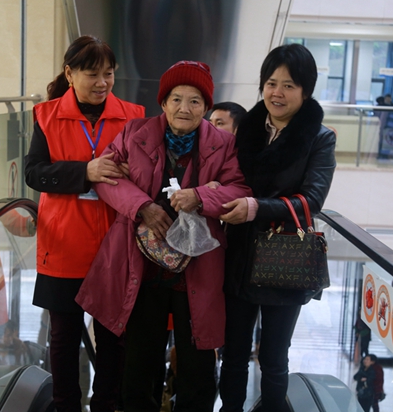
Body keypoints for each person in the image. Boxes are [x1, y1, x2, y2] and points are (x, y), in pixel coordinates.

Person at [76, 60, 252, 412]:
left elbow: (240, 189)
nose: (184, 108)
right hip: (142, 267)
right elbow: (106, 177)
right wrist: (142, 206)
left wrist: (200, 197)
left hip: (197, 269)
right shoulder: (134, 132)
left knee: (197, 366)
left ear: (206, 107)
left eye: (195, 101)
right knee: (139, 364)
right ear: (163, 102)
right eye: (176, 99)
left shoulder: (224, 144)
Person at [24, 35, 145, 412]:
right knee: (63, 338)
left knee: (113, 336)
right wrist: (85, 172)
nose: (102, 83)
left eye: (109, 73)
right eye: (92, 74)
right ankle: (65, 405)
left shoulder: (134, 116)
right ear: (69, 74)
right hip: (63, 244)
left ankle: (105, 404)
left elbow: (148, 174)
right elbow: (34, 173)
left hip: (116, 244)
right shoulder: (46, 115)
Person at [218, 43, 336, 412]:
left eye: (288, 85)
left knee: (273, 356)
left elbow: (311, 201)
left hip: (284, 257)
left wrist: (256, 207)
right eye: (271, 83)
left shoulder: (319, 138)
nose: (277, 93)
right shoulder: (247, 129)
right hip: (238, 255)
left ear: (306, 91)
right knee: (233, 352)